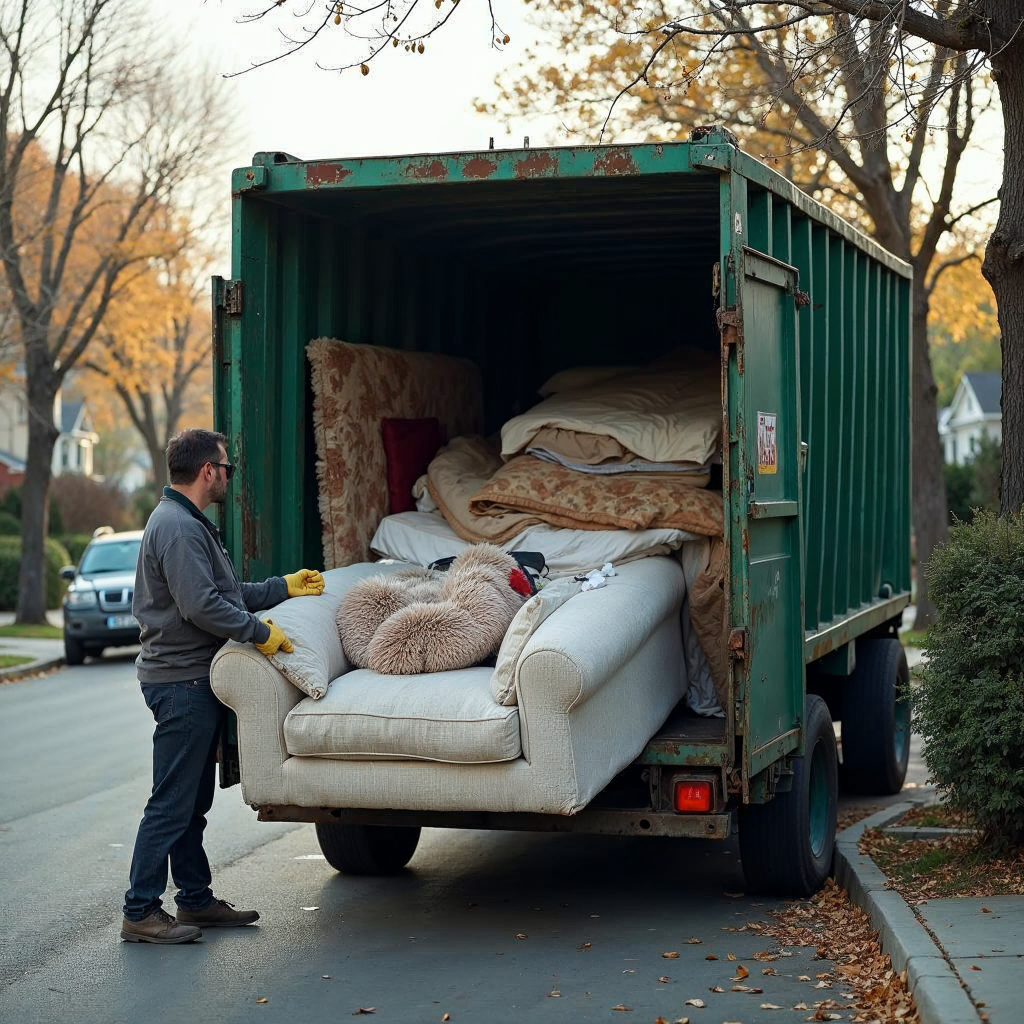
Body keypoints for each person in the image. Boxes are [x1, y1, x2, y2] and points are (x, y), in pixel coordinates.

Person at [121, 428, 325, 944]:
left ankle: (194, 900)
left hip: (188, 679)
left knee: (191, 803)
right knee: (171, 802)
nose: (229, 476)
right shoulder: (179, 528)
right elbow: (202, 607)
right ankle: (140, 910)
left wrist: (283, 587)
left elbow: (226, 593)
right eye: (226, 467)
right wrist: (261, 636)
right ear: (208, 470)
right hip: (181, 682)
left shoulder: (186, 522)